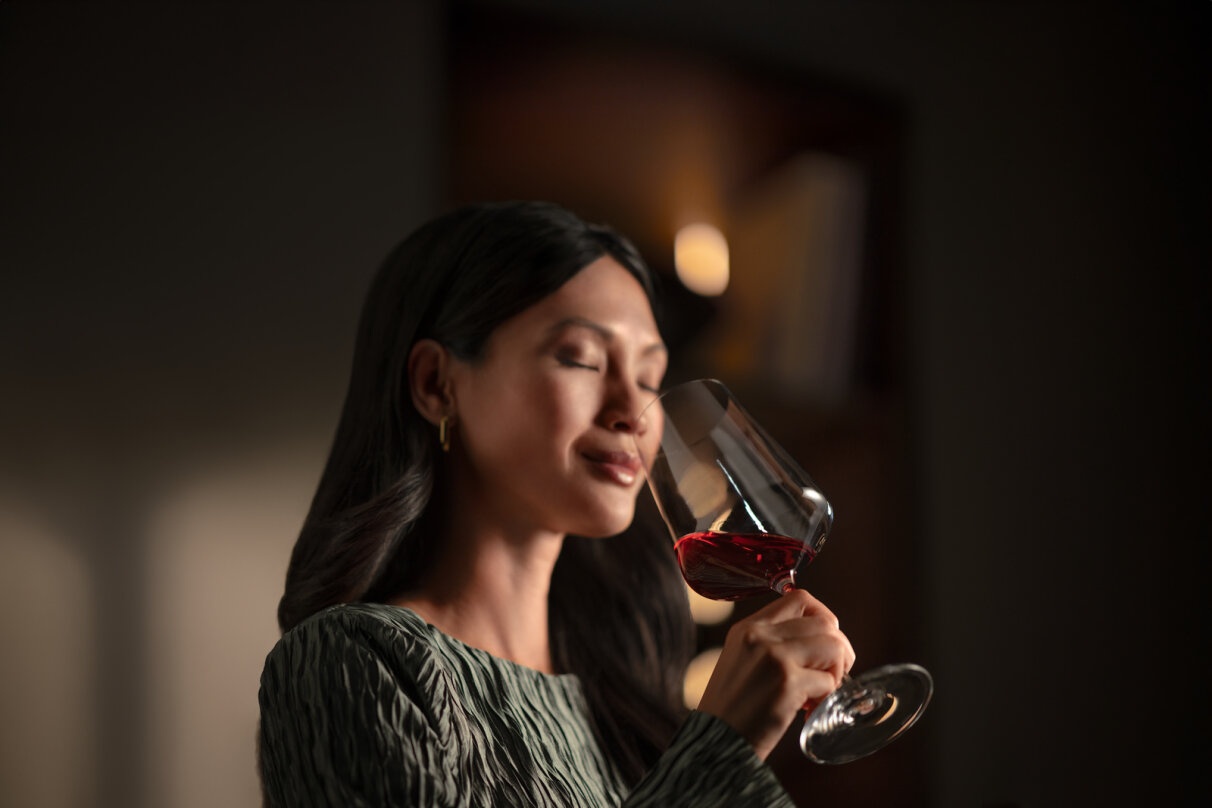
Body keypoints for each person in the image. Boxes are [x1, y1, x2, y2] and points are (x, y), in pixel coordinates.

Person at [257, 201, 855, 807]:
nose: (634, 412)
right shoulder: (350, 663)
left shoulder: (626, 699)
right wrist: (719, 751)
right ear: (437, 383)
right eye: (581, 358)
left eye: (650, 378)